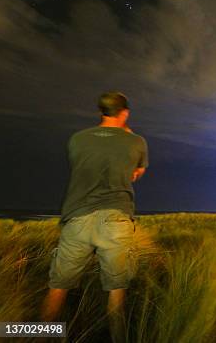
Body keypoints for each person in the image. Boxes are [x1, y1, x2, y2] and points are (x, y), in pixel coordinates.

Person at [41, 91, 149, 342]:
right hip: (116, 219)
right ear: (125, 113)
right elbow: (136, 173)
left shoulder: (77, 139)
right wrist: (128, 134)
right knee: (116, 292)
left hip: (77, 217)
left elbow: (82, 165)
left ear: (100, 111)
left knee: (57, 287)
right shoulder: (136, 142)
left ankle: (39, 337)